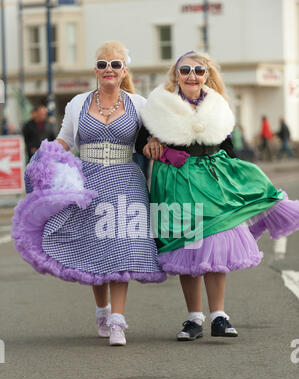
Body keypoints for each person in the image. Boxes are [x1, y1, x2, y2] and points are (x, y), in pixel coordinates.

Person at [136, 50, 299, 341]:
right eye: (185, 70)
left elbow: (228, 149)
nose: (192, 76)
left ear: (207, 76)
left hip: (213, 179)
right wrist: (149, 142)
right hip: (177, 182)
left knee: (216, 241)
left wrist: (239, 181)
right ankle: (193, 318)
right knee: (186, 245)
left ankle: (219, 316)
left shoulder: (218, 106)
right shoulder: (158, 105)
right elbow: (140, 141)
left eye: (199, 71)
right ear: (176, 74)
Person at [12, 41, 166, 347]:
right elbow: (65, 140)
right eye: (102, 64)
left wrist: (153, 144)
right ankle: (102, 310)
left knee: (122, 245)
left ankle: (118, 322)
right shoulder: (77, 103)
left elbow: (151, 139)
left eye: (115, 64)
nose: (108, 69)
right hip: (89, 179)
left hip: (125, 179)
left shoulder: (139, 104)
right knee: (94, 246)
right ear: (95, 70)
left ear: (124, 70)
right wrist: (45, 156)